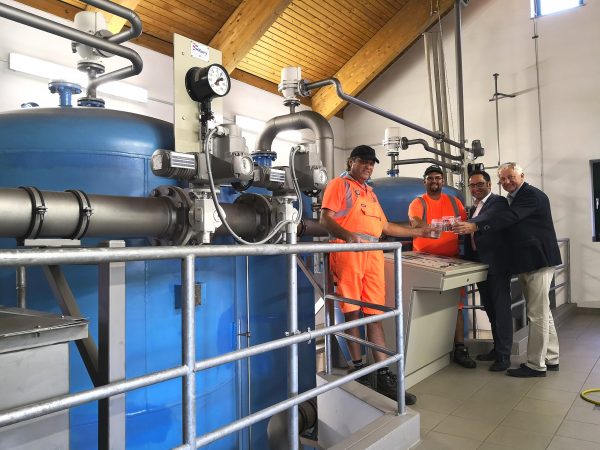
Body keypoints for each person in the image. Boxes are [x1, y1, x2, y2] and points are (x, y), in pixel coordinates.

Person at [320, 145, 435, 405]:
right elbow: (325, 218)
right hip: (349, 252)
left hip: (373, 254)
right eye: (363, 162)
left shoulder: (370, 193)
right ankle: (360, 369)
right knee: (351, 311)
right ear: (351, 162)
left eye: (372, 163)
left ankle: (382, 374)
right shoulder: (339, 185)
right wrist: (348, 237)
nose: (368, 166)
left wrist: (420, 232)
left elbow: (386, 226)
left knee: (376, 312)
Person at [454, 162, 561, 377]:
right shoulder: (514, 198)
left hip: (537, 261)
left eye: (511, 177)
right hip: (526, 262)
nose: (507, 182)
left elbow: (510, 218)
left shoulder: (529, 195)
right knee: (543, 312)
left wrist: (475, 225)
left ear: (522, 175)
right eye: (503, 179)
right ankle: (551, 357)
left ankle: (535, 365)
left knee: (536, 315)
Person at [408, 164, 476, 369]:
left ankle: (460, 348)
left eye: (438, 178)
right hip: (424, 262)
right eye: (430, 178)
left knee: (456, 305)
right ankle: (423, 350)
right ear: (425, 181)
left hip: (451, 261)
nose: (434, 181)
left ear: (443, 181)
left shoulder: (455, 202)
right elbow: (416, 222)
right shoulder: (418, 203)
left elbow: (466, 226)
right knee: (424, 306)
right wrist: (430, 226)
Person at [460, 170, 512, 371]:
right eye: (472, 185)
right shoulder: (475, 207)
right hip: (480, 264)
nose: (475, 189)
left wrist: (467, 225)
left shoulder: (497, 202)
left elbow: (488, 219)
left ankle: (504, 355)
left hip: (497, 265)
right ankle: (497, 348)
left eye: (479, 184)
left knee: (501, 310)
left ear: (489, 185)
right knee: (490, 309)